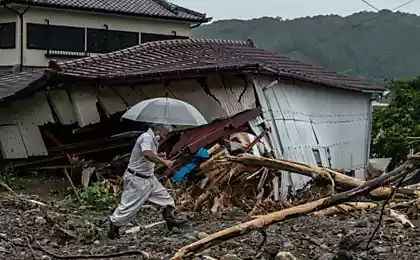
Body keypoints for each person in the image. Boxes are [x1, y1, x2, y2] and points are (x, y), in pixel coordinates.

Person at [108, 123, 187, 239]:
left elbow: (148, 154)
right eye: (166, 132)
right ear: (158, 128)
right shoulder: (146, 137)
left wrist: (159, 156)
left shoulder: (152, 138)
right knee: (128, 207)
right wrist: (163, 162)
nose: (167, 135)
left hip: (148, 177)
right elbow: (146, 153)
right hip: (137, 179)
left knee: (166, 200)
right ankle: (114, 227)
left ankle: (171, 222)